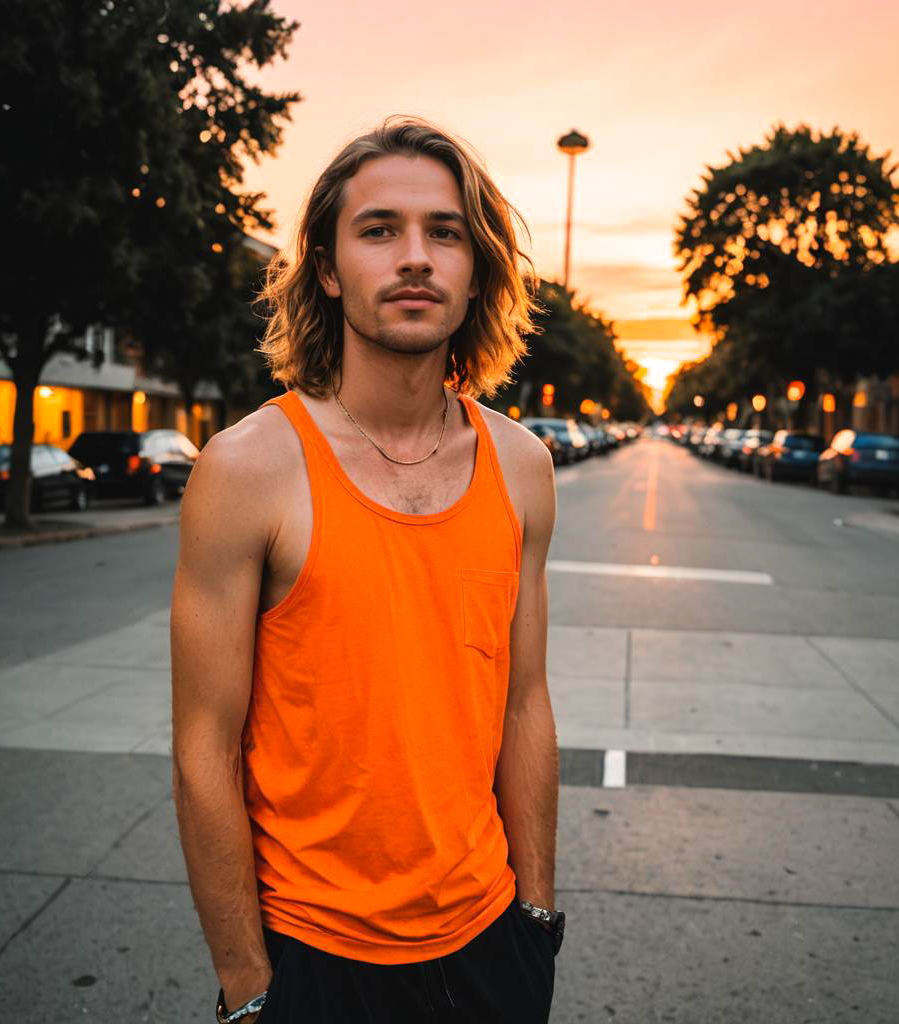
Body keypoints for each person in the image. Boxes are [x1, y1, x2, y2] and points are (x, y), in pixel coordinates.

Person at [171, 117, 563, 1023]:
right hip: (311, 959)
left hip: (491, 944)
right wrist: (246, 982)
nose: (416, 257)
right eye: (379, 230)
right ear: (326, 266)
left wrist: (535, 917)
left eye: (446, 232)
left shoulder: (524, 468)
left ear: (478, 271)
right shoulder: (248, 467)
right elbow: (203, 746)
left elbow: (524, 701)